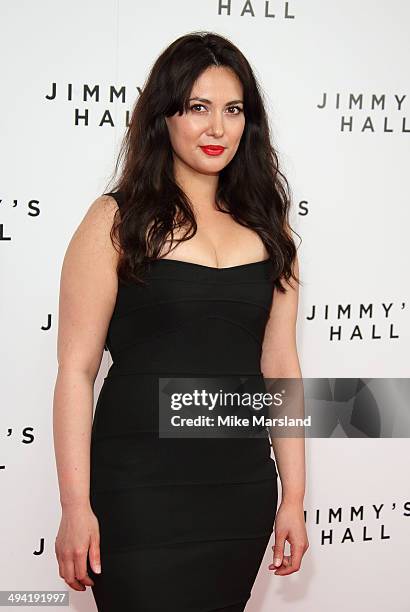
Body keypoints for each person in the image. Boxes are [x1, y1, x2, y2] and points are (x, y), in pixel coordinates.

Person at [53, 31, 309, 611]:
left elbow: (280, 368)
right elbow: (76, 370)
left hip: (238, 493)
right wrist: (75, 505)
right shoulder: (114, 221)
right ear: (163, 115)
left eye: (233, 110)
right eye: (198, 107)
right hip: (136, 493)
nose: (217, 128)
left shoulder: (273, 233)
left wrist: (293, 497)